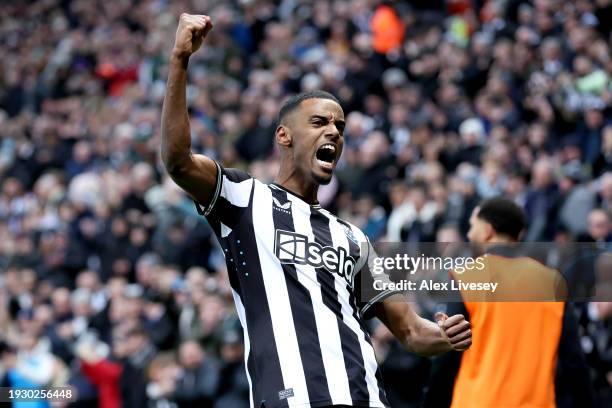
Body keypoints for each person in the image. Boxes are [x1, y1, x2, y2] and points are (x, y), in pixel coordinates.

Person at [161, 13, 472, 408]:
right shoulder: (243, 198)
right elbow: (178, 161)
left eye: (340, 127)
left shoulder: (353, 238)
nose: (334, 132)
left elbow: (411, 332)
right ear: (284, 134)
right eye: (320, 122)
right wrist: (179, 60)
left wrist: (442, 336)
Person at [424, 197, 595, 408]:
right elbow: (574, 361)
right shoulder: (551, 281)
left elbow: (447, 357)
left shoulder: (466, 277)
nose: (469, 234)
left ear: (487, 231)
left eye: (472, 227)